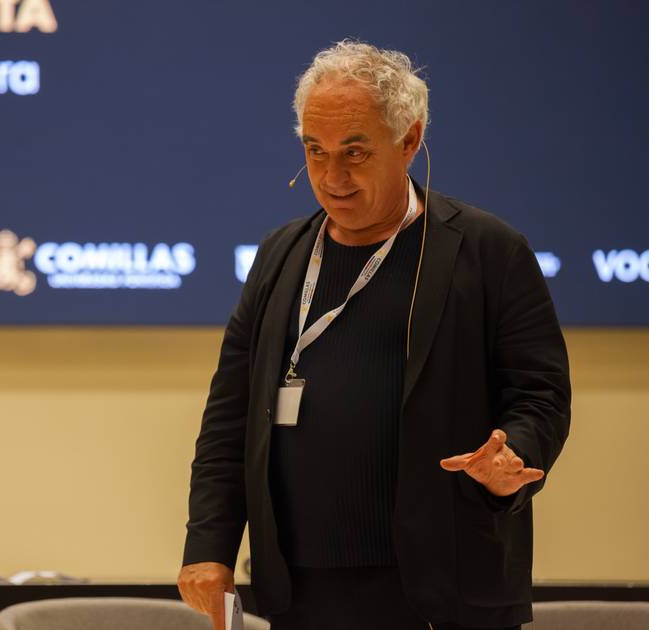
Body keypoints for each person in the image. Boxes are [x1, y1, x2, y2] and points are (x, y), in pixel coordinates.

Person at [177, 40, 571, 630]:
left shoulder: (488, 251)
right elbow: (231, 415)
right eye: (315, 151)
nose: (332, 177)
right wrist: (208, 545)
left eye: (355, 153)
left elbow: (540, 395)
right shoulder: (280, 255)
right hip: (301, 592)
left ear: (409, 141)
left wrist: (513, 453)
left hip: (444, 590)